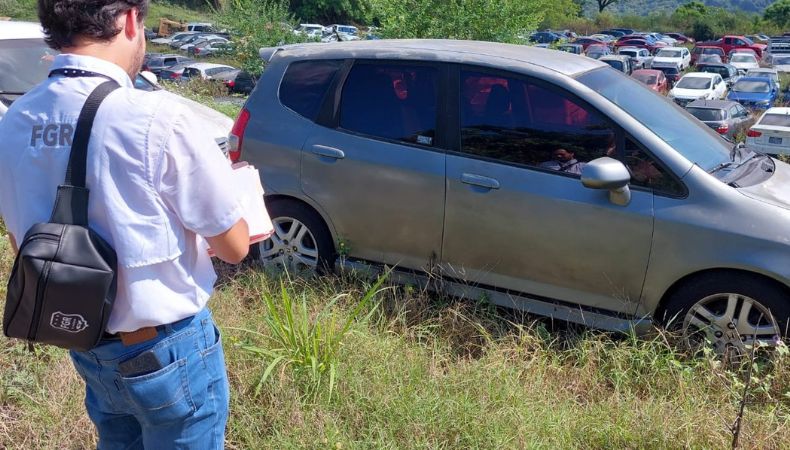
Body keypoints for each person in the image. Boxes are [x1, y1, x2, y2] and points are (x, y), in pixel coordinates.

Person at [0, 0, 250, 447]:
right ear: (130, 18)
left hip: (87, 343)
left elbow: (25, 243)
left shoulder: (15, 120)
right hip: (167, 349)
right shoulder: (159, 118)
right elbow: (234, 247)